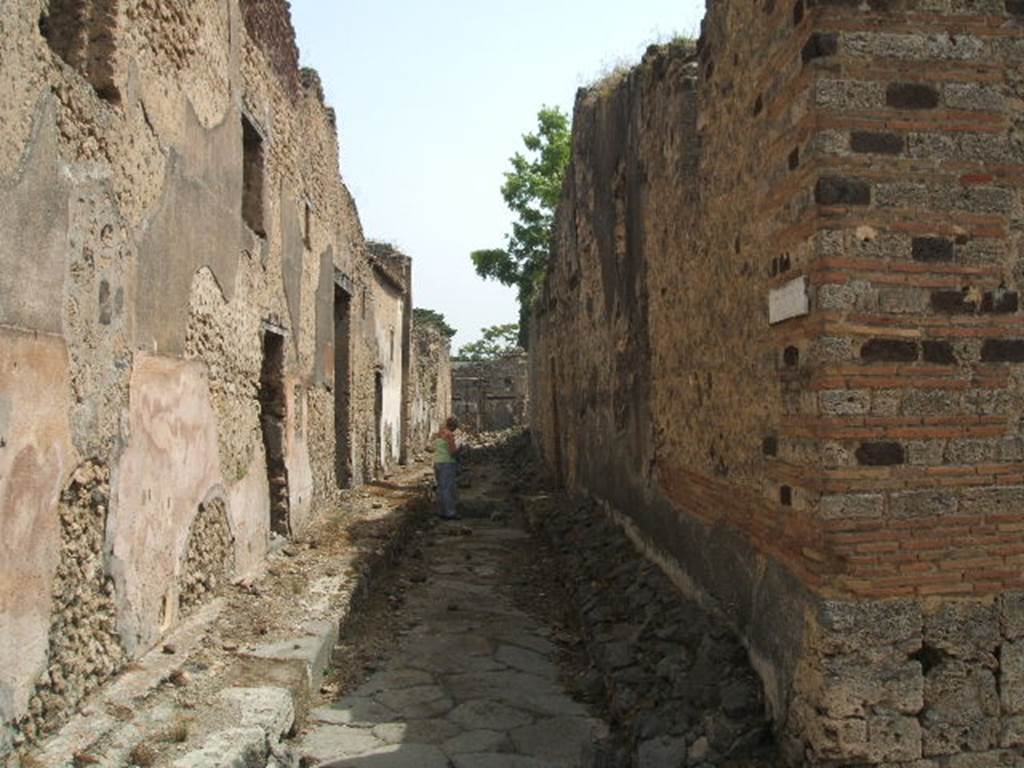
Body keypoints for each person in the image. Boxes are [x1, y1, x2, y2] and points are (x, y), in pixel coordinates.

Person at [433, 416, 460, 520]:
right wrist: (459, 451)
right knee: (448, 488)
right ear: (453, 426)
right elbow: (452, 451)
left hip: (437, 462)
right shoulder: (449, 435)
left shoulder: (439, 433)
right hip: (447, 463)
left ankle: (441, 511)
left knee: (441, 488)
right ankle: (450, 513)